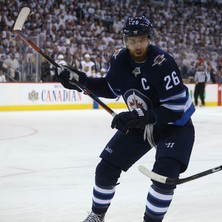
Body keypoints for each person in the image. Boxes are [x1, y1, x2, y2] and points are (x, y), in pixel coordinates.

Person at [57, 16, 195, 222]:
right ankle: (97, 215)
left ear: (149, 39)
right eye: (131, 41)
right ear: (124, 41)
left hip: (174, 126)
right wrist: (81, 81)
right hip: (140, 124)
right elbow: (110, 88)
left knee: (163, 176)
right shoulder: (120, 60)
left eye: (141, 40)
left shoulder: (163, 63)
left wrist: (139, 117)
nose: (137, 45)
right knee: (106, 168)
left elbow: (175, 109)